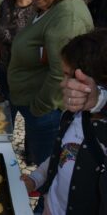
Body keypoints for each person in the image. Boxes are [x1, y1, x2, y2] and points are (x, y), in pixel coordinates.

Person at [7, 0, 94, 166]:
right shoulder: (50, 8)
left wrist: (39, 108)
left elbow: (61, 72)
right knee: (43, 169)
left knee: (49, 171)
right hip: (39, 109)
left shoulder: (67, 14)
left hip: (50, 113)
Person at [21, 29, 107, 215]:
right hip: (50, 208)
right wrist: (35, 179)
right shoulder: (70, 116)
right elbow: (60, 156)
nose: (63, 83)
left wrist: (100, 98)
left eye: (69, 75)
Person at [0, 0, 35, 132]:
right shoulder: (6, 5)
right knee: (4, 117)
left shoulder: (37, 8)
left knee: (32, 120)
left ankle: (31, 155)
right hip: (4, 71)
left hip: (26, 76)